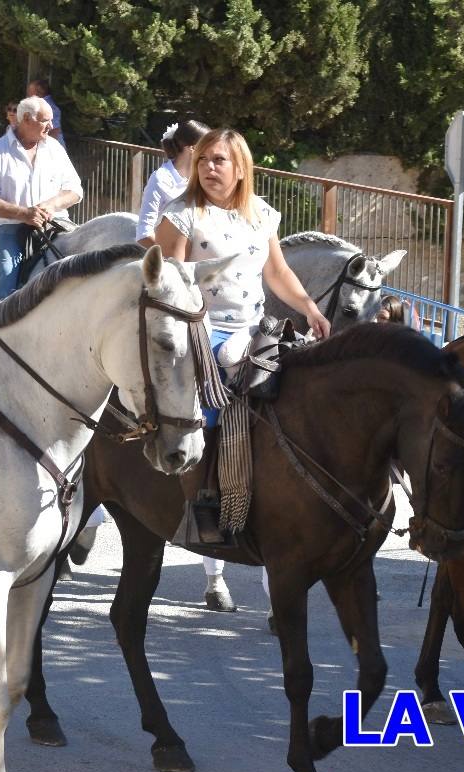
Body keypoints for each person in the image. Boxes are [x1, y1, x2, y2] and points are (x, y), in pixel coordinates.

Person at [154, 128, 330, 611]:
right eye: (204, 159)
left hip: (257, 328)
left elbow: (277, 274)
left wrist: (310, 309)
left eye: (220, 160)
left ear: (241, 168)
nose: (210, 168)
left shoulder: (261, 216)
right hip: (202, 330)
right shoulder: (182, 215)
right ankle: (206, 509)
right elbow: (167, 285)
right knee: (208, 412)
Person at [0, 95, 82, 301]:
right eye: (45, 120)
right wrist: (24, 214)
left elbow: (75, 190)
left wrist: (51, 205)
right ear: (26, 118)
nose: (51, 126)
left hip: (57, 224)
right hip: (13, 228)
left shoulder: (54, 149)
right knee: (7, 281)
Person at [135, 119, 207, 247]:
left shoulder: (200, 179)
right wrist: (173, 260)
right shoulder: (160, 179)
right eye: (208, 147)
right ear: (192, 148)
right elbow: (144, 234)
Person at [27, 77, 64, 146]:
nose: (28, 93)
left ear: (40, 91)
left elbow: (54, 130)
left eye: (30, 90)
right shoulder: (40, 104)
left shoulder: (47, 106)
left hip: (51, 147)